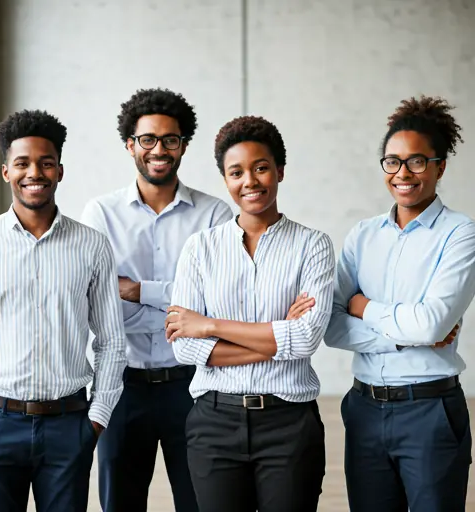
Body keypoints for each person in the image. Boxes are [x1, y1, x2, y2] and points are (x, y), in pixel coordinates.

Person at [166, 115, 335, 512]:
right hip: (214, 422)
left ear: (279, 170)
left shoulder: (313, 246)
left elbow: (307, 338)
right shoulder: (200, 248)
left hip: (288, 423)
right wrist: (278, 337)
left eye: (261, 168)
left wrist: (210, 326)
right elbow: (185, 350)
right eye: (236, 172)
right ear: (225, 179)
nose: (250, 182)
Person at [0, 110, 126, 512]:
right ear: (6, 172)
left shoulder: (92, 246)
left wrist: (97, 419)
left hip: (68, 425)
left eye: (45, 163)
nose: (34, 172)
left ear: (60, 171)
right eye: (22, 163)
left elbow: (111, 342)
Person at [81, 88, 232, 512]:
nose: (159, 149)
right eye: (148, 139)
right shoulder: (101, 214)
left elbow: (218, 301)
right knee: (119, 503)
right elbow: (98, 301)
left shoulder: (215, 215)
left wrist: (137, 291)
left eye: (171, 139)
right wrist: (181, 304)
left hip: (195, 384)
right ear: (130, 145)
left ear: (184, 145)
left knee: (201, 501)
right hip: (122, 385)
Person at [324, 96, 475, 512]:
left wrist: (364, 306)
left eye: (417, 162)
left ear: (440, 166)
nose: (403, 173)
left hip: (430, 412)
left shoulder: (461, 234)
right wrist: (406, 336)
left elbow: (430, 325)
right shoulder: (362, 235)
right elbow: (331, 327)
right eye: (392, 161)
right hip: (364, 410)